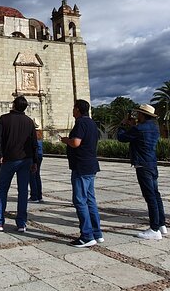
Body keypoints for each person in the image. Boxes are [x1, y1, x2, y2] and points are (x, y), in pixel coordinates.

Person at [117, 104, 167, 240]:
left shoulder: (140, 128)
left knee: (150, 196)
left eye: (138, 113)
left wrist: (123, 124)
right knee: (156, 195)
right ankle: (161, 224)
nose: (136, 116)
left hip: (143, 165)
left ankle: (154, 229)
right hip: (152, 163)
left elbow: (121, 138)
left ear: (143, 115)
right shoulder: (154, 127)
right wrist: (133, 126)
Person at [0, 96, 37, 232]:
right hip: (26, 160)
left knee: (2, 190)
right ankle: (21, 223)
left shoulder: (4, 119)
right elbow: (34, 143)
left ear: (14, 105)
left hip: (9, 159)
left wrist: (0, 155)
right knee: (23, 192)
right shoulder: (29, 122)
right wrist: (35, 161)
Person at [61, 99, 103, 247]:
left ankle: (86, 236)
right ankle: (97, 233)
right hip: (91, 165)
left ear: (78, 110)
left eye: (73, 108)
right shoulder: (92, 123)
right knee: (90, 200)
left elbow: (76, 143)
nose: (72, 111)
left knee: (80, 200)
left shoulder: (80, 123)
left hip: (81, 166)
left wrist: (66, 140)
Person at [29, 123, 44, 203]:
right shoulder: (40, 135)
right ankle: (39, 195)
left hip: (34, 156)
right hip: (40, 156)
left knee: (32, 176)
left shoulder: (32, 136)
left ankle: (34, 196)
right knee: (37, 175)